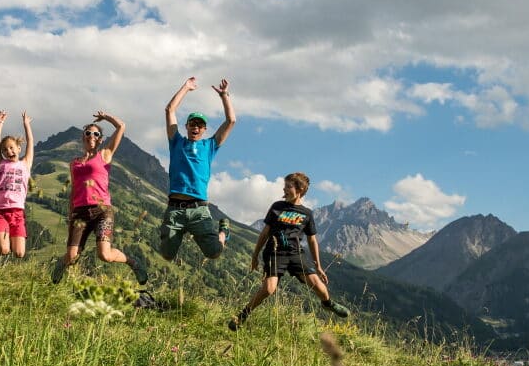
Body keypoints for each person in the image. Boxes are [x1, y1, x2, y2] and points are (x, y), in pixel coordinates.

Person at [228, 172, 350, 331]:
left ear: (299, 189)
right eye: (284, 186)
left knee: (318, 286)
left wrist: (318, 266)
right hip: (274, 252)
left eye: (288, 186)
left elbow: (312, 240)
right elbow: (265, 233)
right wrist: (255, 255)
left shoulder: (307, 213)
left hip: (296, 253)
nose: (284, 189)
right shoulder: (277, 206)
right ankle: (242, 315)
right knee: (268, 289)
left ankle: (328, 304)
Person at [50, 111, 148, 285]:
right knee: (72, 256)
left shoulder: (105, 155)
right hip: (79, 213)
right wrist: (70, 213)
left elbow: (121, 126)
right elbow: (74, 189)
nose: (92, 136)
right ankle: (61, 263)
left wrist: (106, 117)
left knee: (104, 254)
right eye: (88, 133)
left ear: (101, 139)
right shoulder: (74, 163)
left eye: (96, 134)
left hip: (102, 211)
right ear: (83, 137)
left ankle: (133, 262)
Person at [159, 76, 234, 261]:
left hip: (199, 209)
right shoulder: (176, 142)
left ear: (204, 129)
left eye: (200, 125)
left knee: (214, 252)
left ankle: (223, 232)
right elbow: (170, 110)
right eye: (192, 124)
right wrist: (185, 87)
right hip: (175, 209)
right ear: (186, 126)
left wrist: (224, 96)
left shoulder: (210, 146)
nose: (196, 127)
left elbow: (231, 121)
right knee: (167, 255)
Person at [0, 110, 34, 257]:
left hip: (17, 212)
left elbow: (30, 142)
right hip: (0, 211)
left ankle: (0, 236)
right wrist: (0, 123)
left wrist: (26, 125)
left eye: (11, 147)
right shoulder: (1, 164)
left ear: (18, 148)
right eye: (4, 150)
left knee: (19, 253)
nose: (8, 151)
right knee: (3, 251)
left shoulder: (25, 163)